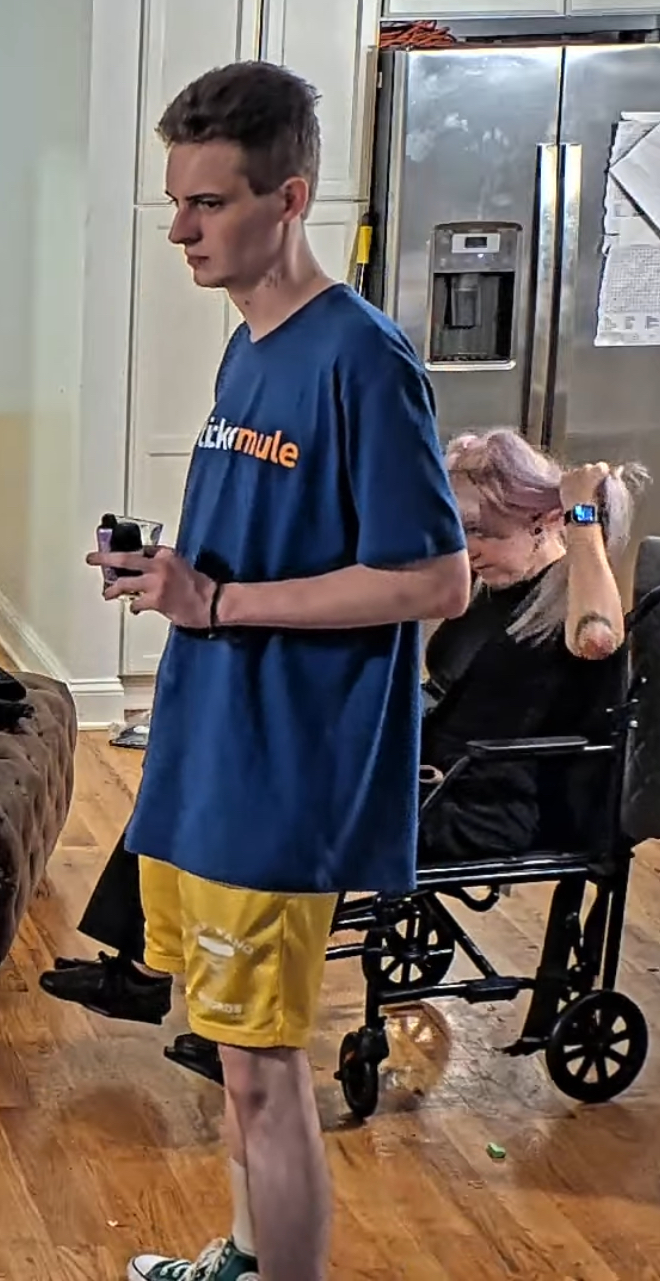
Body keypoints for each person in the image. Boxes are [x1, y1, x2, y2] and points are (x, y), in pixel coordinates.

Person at [85, 62, 472, 1281]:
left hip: (285, 768)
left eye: (208, 203)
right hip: (208, 748)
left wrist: (221, 601)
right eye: (175, 202)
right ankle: (247, 1258)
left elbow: (434, 580)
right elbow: (269, 540)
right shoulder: (248, 351)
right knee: (229, 1060)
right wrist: (171, 576)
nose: (181, 231)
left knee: (263, 1072)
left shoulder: (361, 358)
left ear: (288, 198)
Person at [46, 436, 645, 1085]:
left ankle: (243, 1027)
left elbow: (599, 637)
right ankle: (143, 968)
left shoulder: (573, 600)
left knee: (280, 811)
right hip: (431, 777)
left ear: (547, 523)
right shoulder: (489, 590)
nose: (466, 549)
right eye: (459, 531)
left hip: (489, 804)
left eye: (483, 534)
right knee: (207, 767)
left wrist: (583, 516)